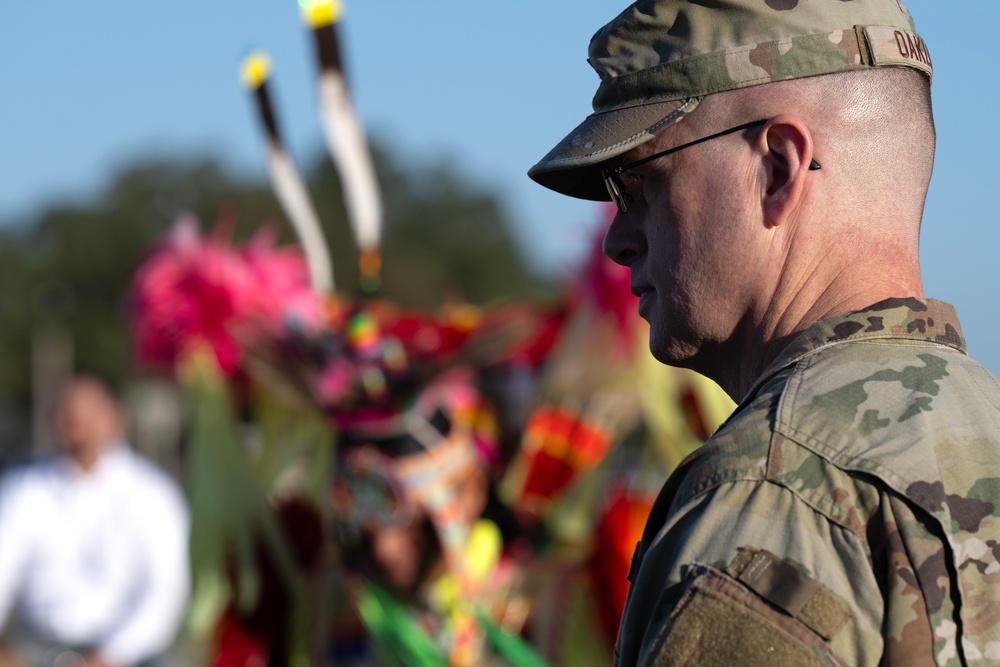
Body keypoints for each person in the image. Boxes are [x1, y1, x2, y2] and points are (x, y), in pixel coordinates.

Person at [529, 1, 1000, 665]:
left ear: (776, 167)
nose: (616, 238)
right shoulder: (982, 423)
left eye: (640, 185)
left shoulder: (773, 488)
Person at [0, 376, 189, 667]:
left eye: (89, 413)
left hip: (131, 654)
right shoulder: (23, 489)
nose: (78, 423)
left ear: (117, 418)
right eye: (68, 413)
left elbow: (165, 592)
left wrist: (111, 655)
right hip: (39, 648)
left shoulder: (153, 494)